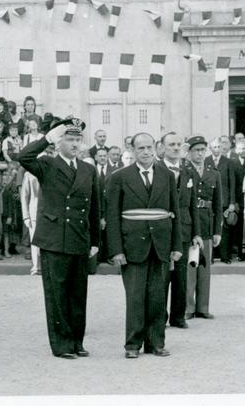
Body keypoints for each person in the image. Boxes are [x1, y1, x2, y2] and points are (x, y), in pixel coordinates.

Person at [17, 118, 100, 359]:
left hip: (78, 238)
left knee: (78, 294)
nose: (75, 144)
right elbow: (23, 157)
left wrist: (95, 240)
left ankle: (77, 341)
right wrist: (46, 140)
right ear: (59, 142)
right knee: (57, 295)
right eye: (69, 139)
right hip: (54, 239)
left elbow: (94, 208)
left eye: (78, 139)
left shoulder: (88, 169)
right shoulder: (47, 164)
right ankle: (61, 344)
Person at [107, 133, 183, 359]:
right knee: (135, 297)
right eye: (140, 148)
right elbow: (112, 217)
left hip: (160, 245)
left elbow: (174, 212)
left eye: (149, 147)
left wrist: (176, 245)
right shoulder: (119, 177)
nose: (146, 152)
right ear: (132, 150)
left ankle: (156, 343)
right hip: (132, 247)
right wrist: (116, 250)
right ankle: (132, 345)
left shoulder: (167, 175)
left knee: (158, 297)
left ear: (156, 148)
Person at [157, 132, 195, 330]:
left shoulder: (188, 171)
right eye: (171, 144)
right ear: (162, 147)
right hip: (163, 228)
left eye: (178, 144)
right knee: (162, 276)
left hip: (184, 229)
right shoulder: (156, 169)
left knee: (181, 276)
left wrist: (196, 232)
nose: (175, 148)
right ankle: (160, 317)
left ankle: (178, 317)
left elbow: (192, 206)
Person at [182, 135, 221, 320]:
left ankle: (203, 307)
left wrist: (217, 231)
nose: (200, 153)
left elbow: (218, 204)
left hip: (206, 222)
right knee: (190, 267)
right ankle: (188, 307)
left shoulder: (214, 173)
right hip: (189, 223)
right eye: (196, 150)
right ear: (189, 152)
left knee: (205, 268)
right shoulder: (184, 171)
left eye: (202, 150)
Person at [206, 137, 236, 264]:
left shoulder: (228, 162)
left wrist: (232, 202)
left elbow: (232, 183)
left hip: (224, 201)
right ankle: (210, 257)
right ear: (210, 148)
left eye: (219, 147)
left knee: (225, 230)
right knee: (210, 228)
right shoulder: (206, 161)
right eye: (214, 147)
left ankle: (225, 256)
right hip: (210, 200)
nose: (217, 149)